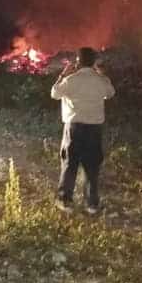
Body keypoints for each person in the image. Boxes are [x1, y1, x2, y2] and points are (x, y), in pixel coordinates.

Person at [50, 47, 115, 214]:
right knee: (92, 165)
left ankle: (65, 201)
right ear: (94, 62)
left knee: (70, 163)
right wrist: (101, 74)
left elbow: (54, 94)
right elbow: (111, 92)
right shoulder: (100, 81)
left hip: (74, 128)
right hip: (94, 129)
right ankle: (92, 203)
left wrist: (63, 75)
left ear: (77, 62)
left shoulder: (71, 80)